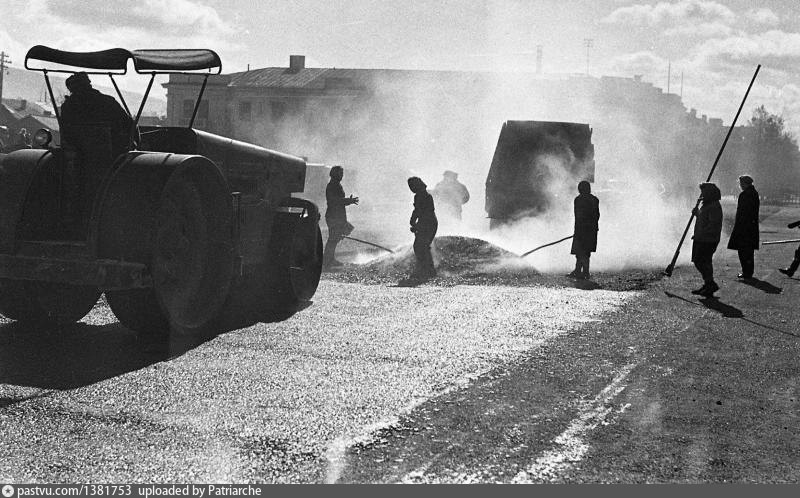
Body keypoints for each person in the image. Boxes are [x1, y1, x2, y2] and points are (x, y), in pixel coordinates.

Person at [60, 71, 133, 156]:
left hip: (77, 155)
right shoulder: (108, 101)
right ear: (89, 84)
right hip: (109, 155)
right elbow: (128, 123)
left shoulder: (67, 107)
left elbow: (65, 132)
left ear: (71, 89)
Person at [691, 182, 723, 297]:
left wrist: (700, 234)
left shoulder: (714, 206)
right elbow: (704, 219)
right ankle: (708, 283)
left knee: (701, 261)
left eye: (703, 192)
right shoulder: (708, 204)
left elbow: (712, 224)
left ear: (709, 193)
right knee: (702, 261)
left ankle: (710, 284)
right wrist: (697, 214)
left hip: (708, 239)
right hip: (703, 238)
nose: (702, 194)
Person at [323, 165, 358, 269]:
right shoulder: (332, 186)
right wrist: (348, 200)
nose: (342, 176)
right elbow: (335, 201)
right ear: (335, 174)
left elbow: (339, 201)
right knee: (333, 239)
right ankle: (327, 260)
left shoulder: (336, 185)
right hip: (333, 216)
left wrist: (348, 201)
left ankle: (329, 259)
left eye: (342, 174)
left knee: (337, 236)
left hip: (337, 216)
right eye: (340, 173)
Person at [727, 175, 760, 279]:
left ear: (745, 184)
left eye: (741, 184)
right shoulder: (754, 194)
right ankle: (748, 271)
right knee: (749, 251)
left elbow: (742, 213)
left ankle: (746, 272)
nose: (740, 186)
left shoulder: (745, 195)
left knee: (743, 251)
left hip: (743, 227)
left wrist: (737, 225)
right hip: (751, 226)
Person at [567, 180, 599, 280]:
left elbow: (578, 216)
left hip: (582, 229)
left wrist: (579, 229)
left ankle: (582, 271)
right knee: (585, 251)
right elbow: (596, 215)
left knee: (581, 251)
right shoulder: (594, 199)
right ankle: (582, 271)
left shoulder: (578, 200)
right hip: (590, 230)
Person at [408, 176, 438, 279]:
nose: (411, 188)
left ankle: (426, 270)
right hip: (428, 223)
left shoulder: (422, 196)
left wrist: (414, 223)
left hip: (428, 223)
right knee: (422, 246)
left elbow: (419, 211)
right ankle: (427, 269)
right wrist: (415, 223)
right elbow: (418, 211)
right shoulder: (423, 195)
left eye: (412, 186)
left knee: (420, 246)